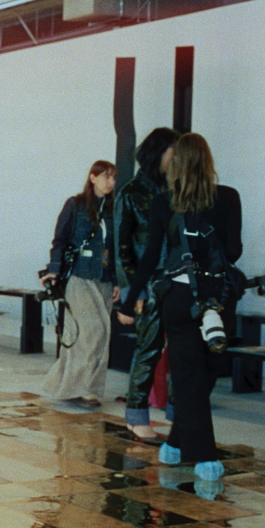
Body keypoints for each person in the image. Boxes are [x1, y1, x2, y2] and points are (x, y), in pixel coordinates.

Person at [118, 133, 241, 481]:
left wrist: (130, 299)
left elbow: (150, 258)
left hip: (182, 298)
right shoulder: (227, 198)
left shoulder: (163, 202)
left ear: (178, 163)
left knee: (193, 376)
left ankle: (175, 442)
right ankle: (203, 456)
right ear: (208, 161)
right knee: (200, 374)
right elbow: (233, 252)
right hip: (217, 299)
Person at [115, 127, 179, 440]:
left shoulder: (176, 191)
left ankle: (177, 416)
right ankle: (136, 415)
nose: (177, 158)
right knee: (148, 350)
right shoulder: (130, 193)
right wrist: (131, 292)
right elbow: (121, 247)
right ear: (159, 152)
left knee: (182, 350)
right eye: (173, 152)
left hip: (177, 281)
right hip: (148, 285)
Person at [42, 160, 118, 407]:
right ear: (93, 177)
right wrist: (54, 271)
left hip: (104, 278)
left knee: (102, 333)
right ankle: (84, 388)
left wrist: (117, 281)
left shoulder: (114, 208)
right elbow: (60, 240)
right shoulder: (75, 205)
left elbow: (116, 248)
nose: (110, 182)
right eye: (106, 176)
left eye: (113, 178)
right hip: (80, 277)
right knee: (91, 331)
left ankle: (87, 388)